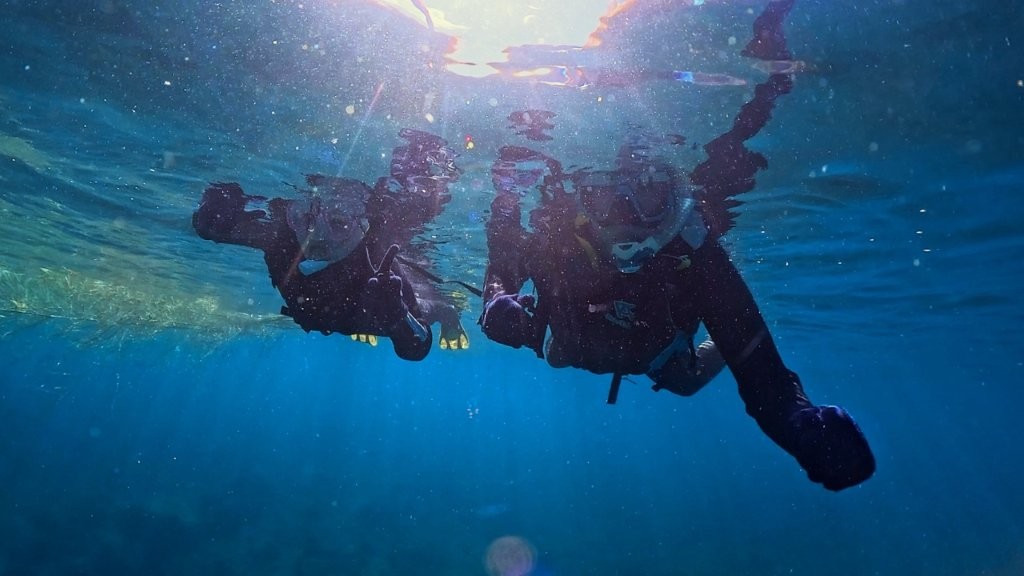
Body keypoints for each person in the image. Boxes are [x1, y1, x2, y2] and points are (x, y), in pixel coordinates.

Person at [477, 0, 873, 492]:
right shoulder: (560, 238)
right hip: (582, 345)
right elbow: (504, 261)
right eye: (604, 196)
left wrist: (799, 425)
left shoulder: (696, 253)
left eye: (648, 193)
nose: (625, 217)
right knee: (658, 373)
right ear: (581, 200)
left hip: (653, 354)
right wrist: (496, 302)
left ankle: (773, 73)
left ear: (676, 197)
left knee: (683, 377)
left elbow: (765, 379)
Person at [192, 128, 470, 360]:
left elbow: (417, 345)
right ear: (291, 214)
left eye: (339, 223)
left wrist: (398, 319)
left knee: (438, 309)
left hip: (364, 316)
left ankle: (450, 315)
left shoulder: (378, 265)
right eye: (305, 217)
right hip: (341, 317)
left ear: (363, 227)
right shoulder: (282, 236)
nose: (318, 234)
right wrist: (212, 217)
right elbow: (214, 226)